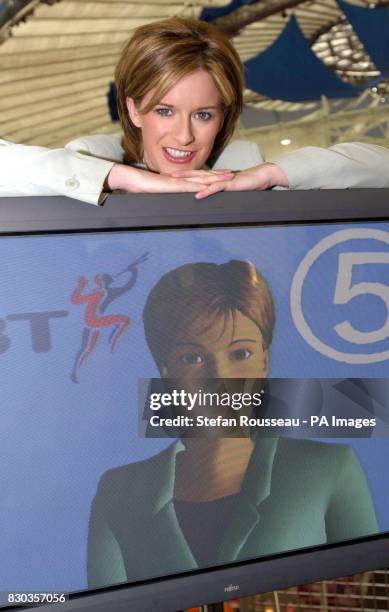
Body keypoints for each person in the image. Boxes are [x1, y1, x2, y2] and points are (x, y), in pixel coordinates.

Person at [87, 260, 378, 588]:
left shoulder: (329, 468)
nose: (220, 380)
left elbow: (372, 594)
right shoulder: (119, 491)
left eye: (240, 354)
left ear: (265, 361)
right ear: (165, 371)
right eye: (193, 358)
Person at [1, 17, 389, 205]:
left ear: (225, 115)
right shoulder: (88, 159)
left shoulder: (237, 170)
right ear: (134, 109)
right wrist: (124, 180)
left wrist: (269, 174)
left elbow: (378, 166)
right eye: (165, 111)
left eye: (203, 115)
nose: (185, 136)